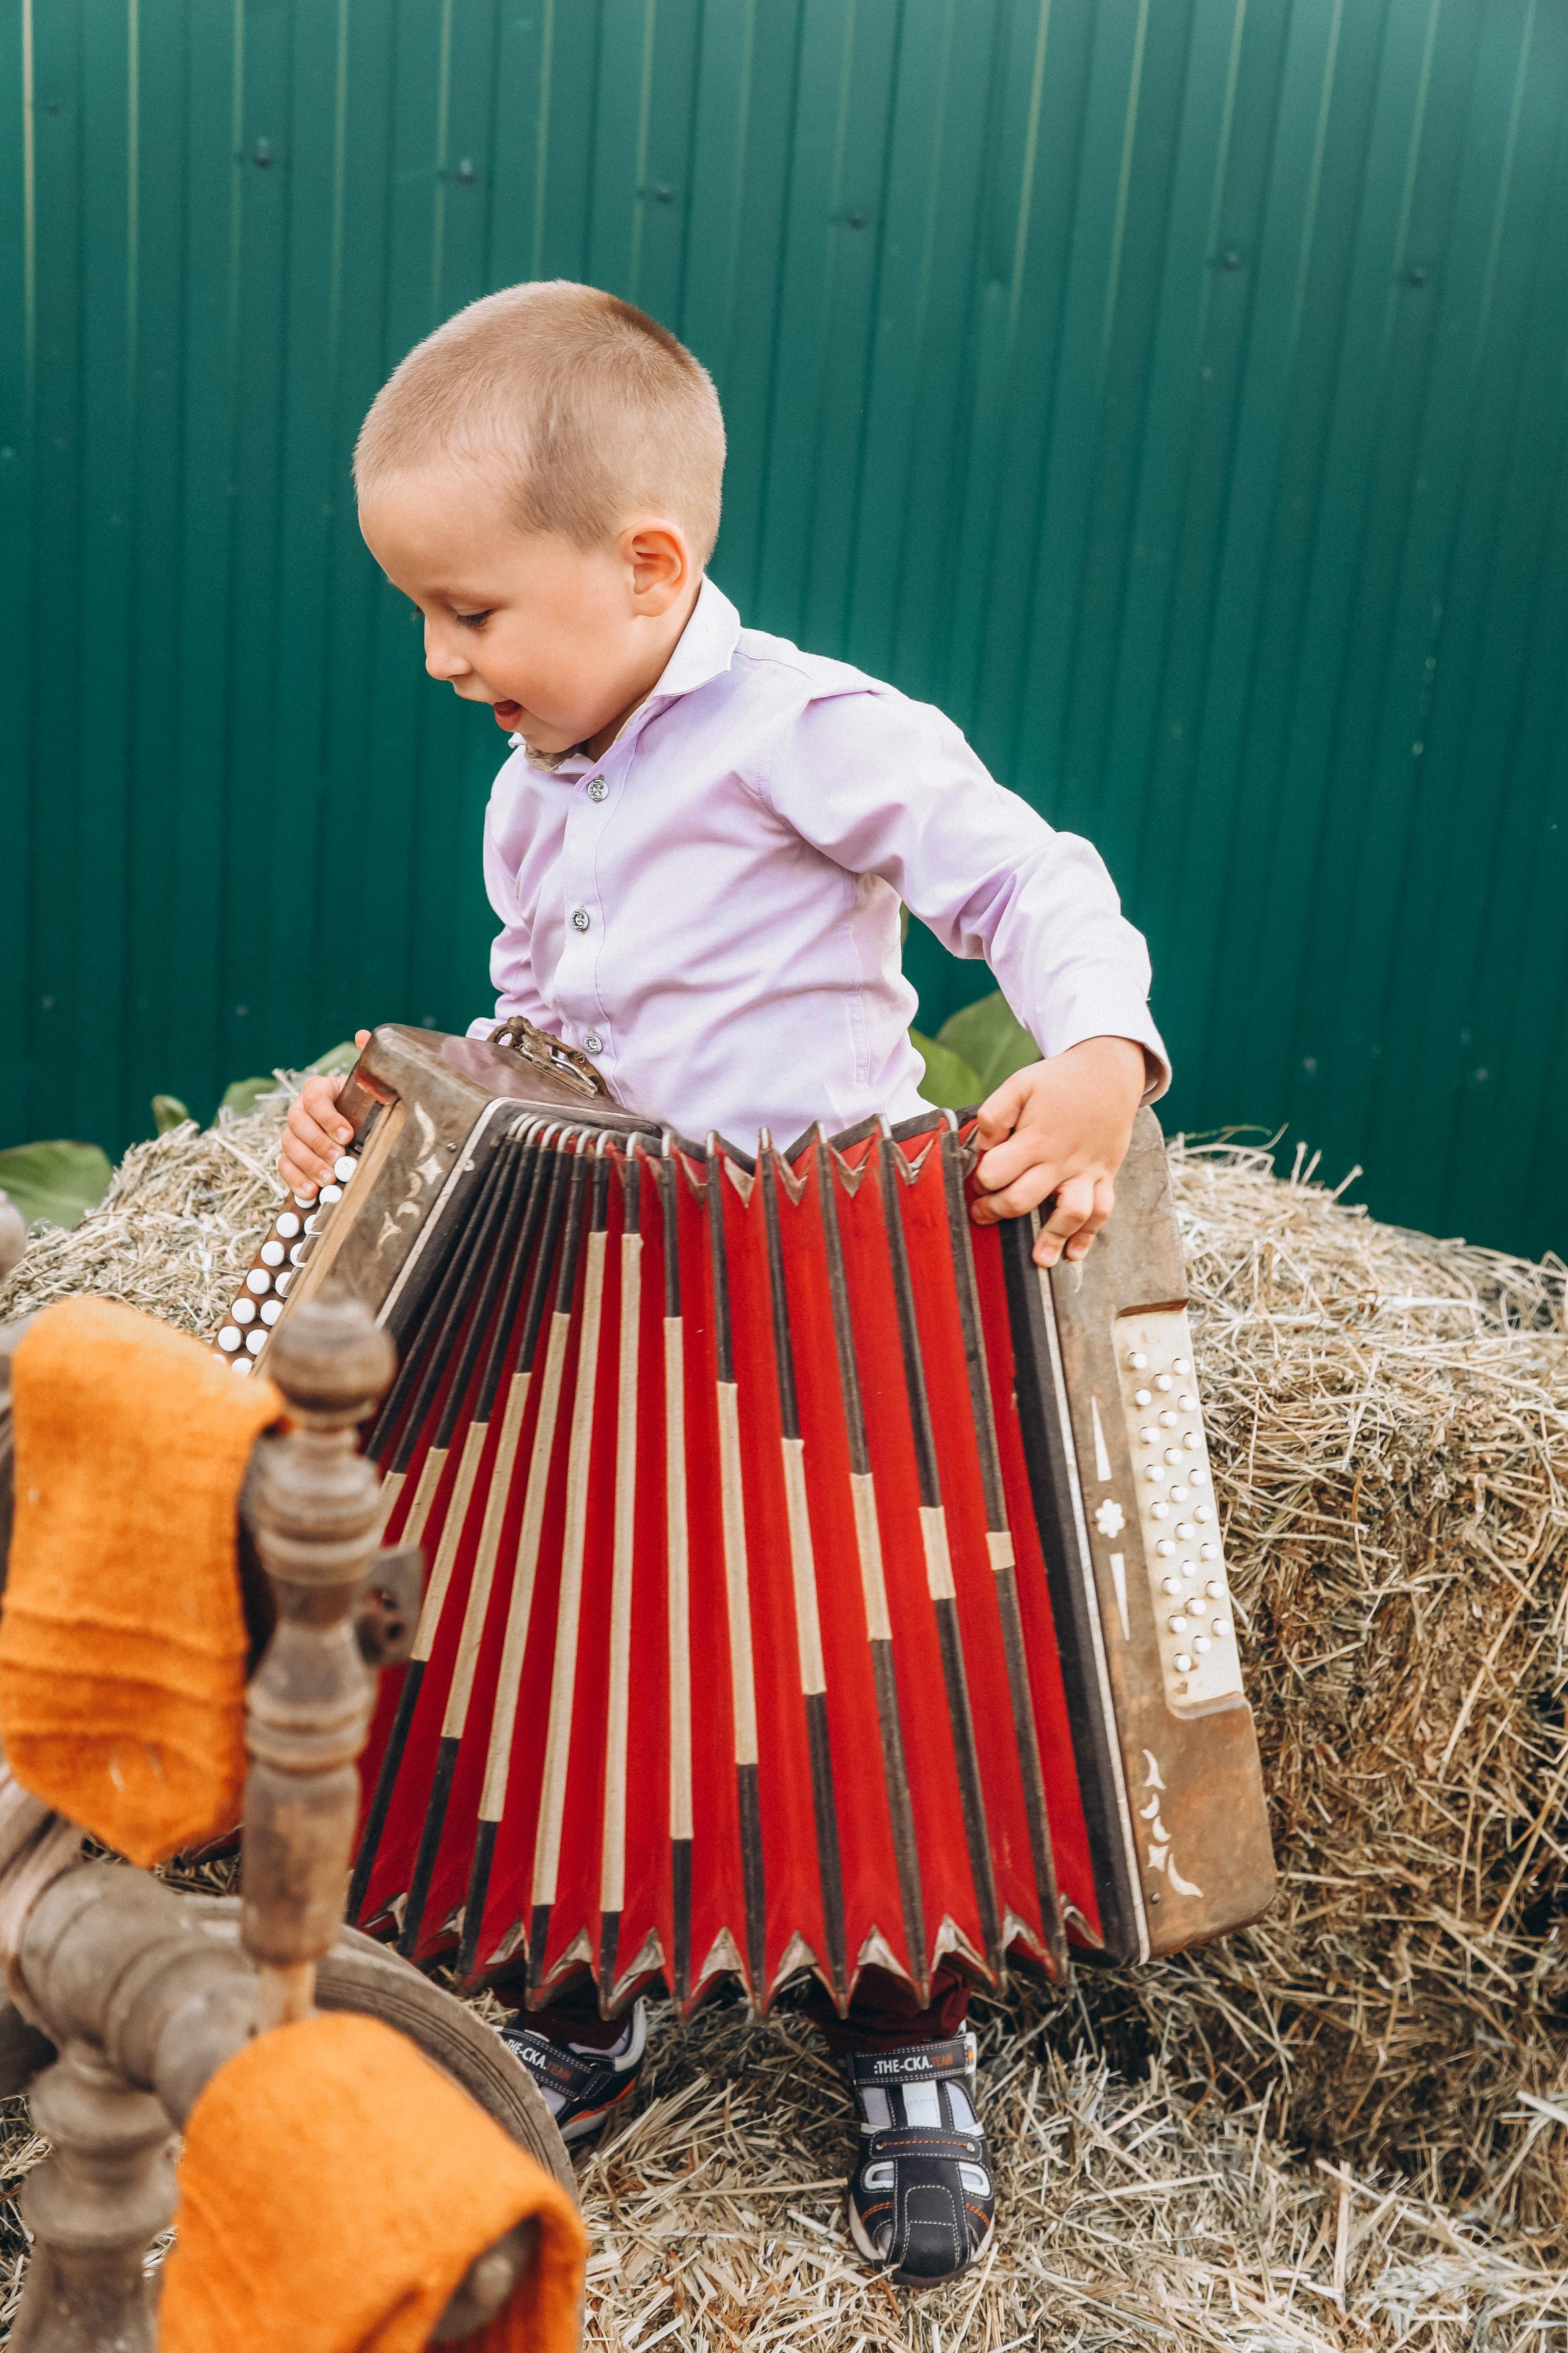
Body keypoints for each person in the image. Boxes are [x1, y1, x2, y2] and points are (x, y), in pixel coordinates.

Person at [280, 281, 1168, 2286]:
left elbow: (1027, 878)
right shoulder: (535, 790)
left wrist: (1104, 1053)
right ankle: (594, 1986)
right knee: (608, 1646)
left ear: (647, 564)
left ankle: (910, 2024)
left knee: (857, 1668)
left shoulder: (812, 732)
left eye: (472, 613)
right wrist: (398, 1105)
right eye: (424, 613)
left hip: (824, 1311)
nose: (440, 656)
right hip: (613, 1303)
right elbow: (535, 1039)